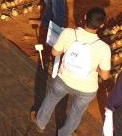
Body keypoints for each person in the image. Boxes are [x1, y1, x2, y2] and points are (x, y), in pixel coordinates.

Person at [32, 7, 112, 136]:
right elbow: (105, 75)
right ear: (102, 25)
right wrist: (94, 67)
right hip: (87, 88)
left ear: (85, 16)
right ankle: (64, 134)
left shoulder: (68, 33)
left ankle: (41, 122)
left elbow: (55, 52)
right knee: (76, 112)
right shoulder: (104, 48)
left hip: (64, 79)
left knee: (52, 98)